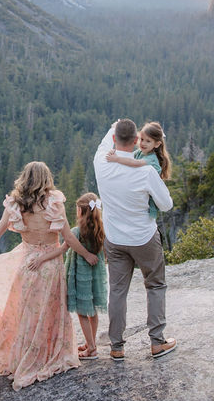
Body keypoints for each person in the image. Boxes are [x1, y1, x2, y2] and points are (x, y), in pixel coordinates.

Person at [0, 161, 99, 390]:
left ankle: (24, 357)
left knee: (26, 315)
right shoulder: (54, 202)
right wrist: (88, 254)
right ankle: (48, 356)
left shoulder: (14, 205)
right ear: (46, 179)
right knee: (50, 314)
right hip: (50, 266)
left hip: (27, 266)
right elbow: (68, 240)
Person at [93, 119, 175, 361]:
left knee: (117, 291)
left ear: (115, 139)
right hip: (143, 238)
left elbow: (108, 139)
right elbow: (166, 205)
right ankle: (157, 342)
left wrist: (114, 126)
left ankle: (116, 347)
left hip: (115, 238)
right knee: (155, 285)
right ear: (137, 140)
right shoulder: (147, 171)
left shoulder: (101, 161)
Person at [34, 192, 108, 360]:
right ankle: (92, 342)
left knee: (82, 312)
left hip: (80, 276)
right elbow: (105, 252)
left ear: (81, 212)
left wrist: (41, 258)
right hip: (94, 276)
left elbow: (61, 250)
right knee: (92, 310)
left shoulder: (75, 232)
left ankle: (91, 349)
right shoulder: (100, 229)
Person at [106, 121, 172, 220]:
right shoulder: (141, 152)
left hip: (149, 196)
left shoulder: (151, 159)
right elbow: (129, 156)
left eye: (148, 141)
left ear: (157, 144)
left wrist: (116, 159)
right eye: (142, 139)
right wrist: (119, 129)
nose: (143, 143)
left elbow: (135, 163)